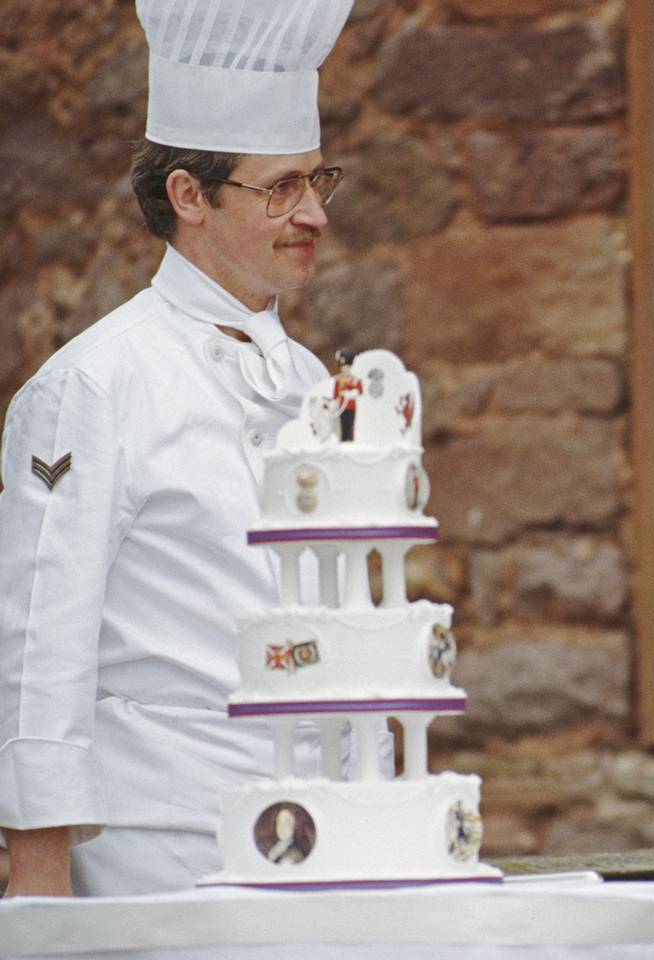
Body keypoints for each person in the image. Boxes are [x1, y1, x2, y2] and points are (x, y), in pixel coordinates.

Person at [0, 0, 355, 897]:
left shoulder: (313, 378)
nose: (312, 212)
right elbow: (40, 637)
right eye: (280, 188)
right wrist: (38, 872)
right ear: (189, 197)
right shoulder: (94, 384)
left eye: (318, 182)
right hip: (162, 839)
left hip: (335, 826)